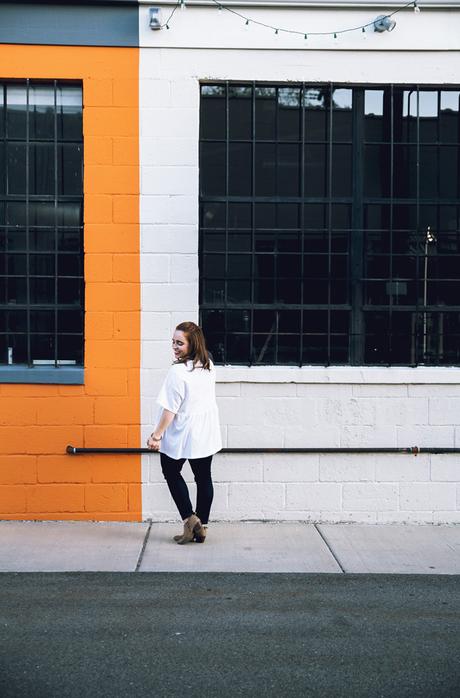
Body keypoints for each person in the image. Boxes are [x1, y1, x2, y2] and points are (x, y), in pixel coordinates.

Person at [146, 321, 222, 544]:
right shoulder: (208, 364)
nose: (175, 346)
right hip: (204, 430)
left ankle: (191, 520)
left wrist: (156, 436)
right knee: (203, 477)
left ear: (192, 344)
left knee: (170, 470)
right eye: (173, 342)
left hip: (182, 431)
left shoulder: (177, 372)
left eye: (180, 343)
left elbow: (170, 409)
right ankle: (202, 526)